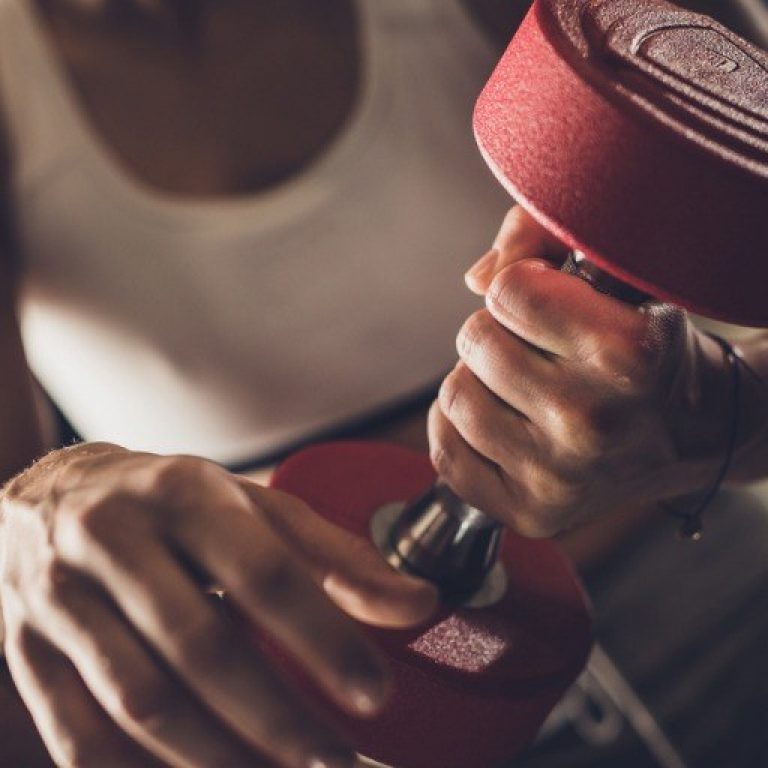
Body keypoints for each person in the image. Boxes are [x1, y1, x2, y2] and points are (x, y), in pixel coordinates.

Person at [0, 1, 764, 767]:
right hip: (339, 707)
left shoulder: (596, 26)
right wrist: (35, 503)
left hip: (702, 610)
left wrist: (719, 419)